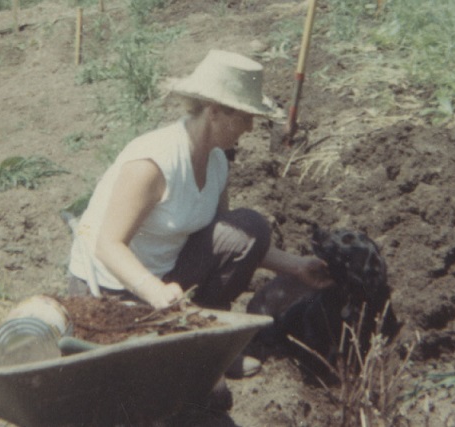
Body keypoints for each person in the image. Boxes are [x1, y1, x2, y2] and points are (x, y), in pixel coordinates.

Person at [67, 49, 332, 378]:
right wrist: (154, 291)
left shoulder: (217, 162)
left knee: (250, 226)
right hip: (110, 288)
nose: (250, 128)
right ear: (215, 111)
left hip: (165, 276)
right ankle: (192, 352)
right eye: (246, 116)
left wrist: (296, 266)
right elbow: (107, 244)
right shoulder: (154, 162)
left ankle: (211, 342)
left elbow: (228, 239)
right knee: (195, 391)